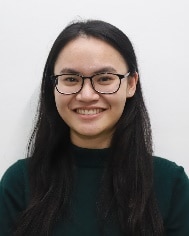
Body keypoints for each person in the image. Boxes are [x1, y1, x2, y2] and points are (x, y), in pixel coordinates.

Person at [0, 19, 189, 236]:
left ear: (131, 84)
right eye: (70, 78)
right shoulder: (19, 182)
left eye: (105, 78)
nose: (87, 95)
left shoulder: (171, 184)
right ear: (53, 86)